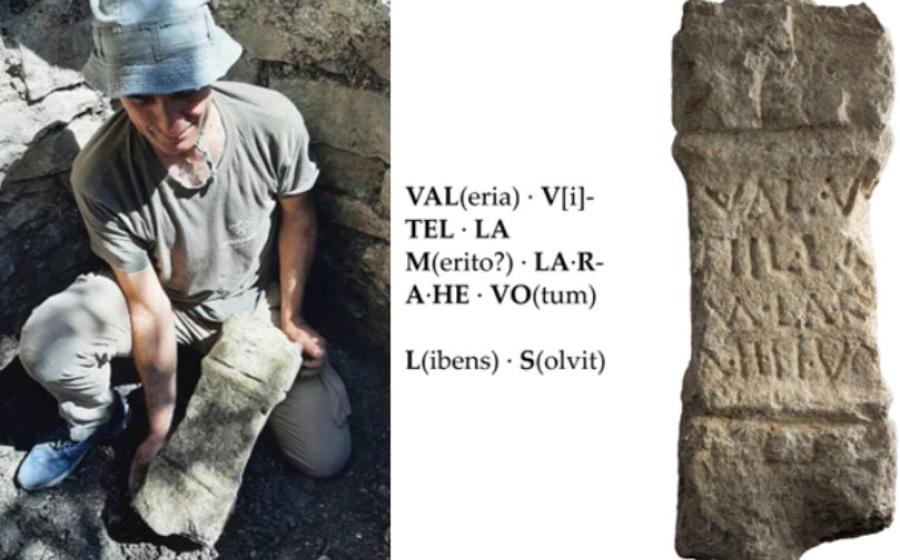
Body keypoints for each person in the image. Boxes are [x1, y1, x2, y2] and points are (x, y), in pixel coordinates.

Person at [14, 0, 351, 492]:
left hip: (251, 302)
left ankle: (245, 371)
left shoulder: (271, 122)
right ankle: (95, 417)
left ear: (212, 71)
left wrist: (293, 317)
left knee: (324, 457)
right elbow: (147, 307)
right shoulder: (101, 173)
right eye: (140, 98)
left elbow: (298, 216)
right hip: (160, 298)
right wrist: (158, 429)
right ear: (117, 91)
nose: (167, 122)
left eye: (184, 91)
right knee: (49, 343)